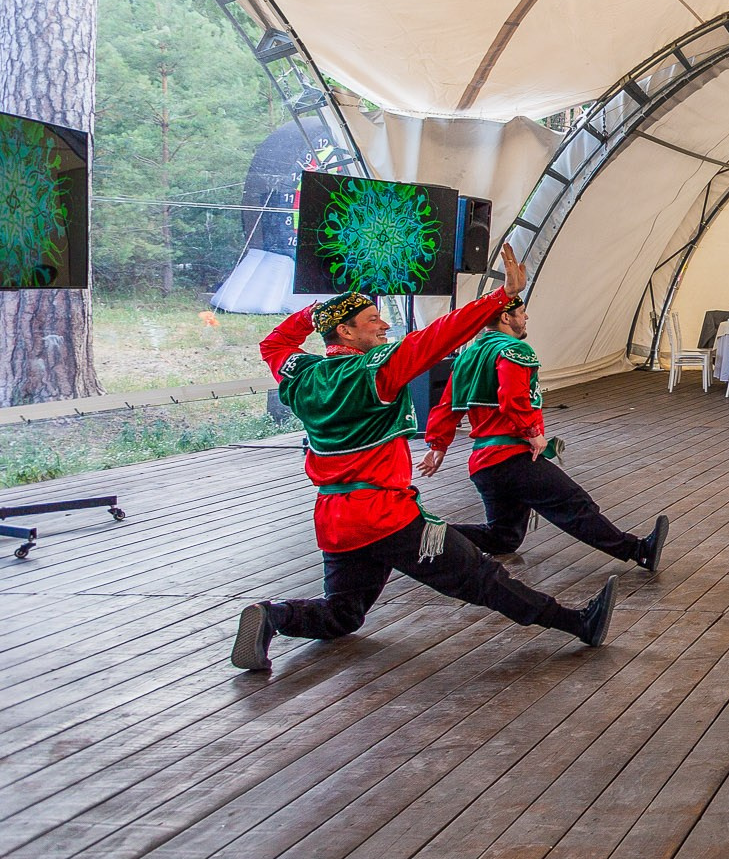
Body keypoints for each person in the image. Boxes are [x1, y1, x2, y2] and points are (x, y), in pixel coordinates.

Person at [230, 245, 617, 673]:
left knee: (344, 613)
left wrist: (313, 313)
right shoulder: (375, 372)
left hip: (335, 518)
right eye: (372, 320)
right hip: (384, 515)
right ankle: (578, 623)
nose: (385, 324)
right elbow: (438, 337)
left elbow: (274, 342)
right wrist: (499, 296)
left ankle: (274, 616)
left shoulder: (301, 375)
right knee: (482, 579)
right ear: (345, 332)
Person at [420, 291, 669, 574]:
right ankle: (638, 550)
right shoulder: (513, 350)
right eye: (521, 312)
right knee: (573, 504)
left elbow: (447, 405)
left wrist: (437, 446)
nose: (526, 318)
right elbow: (513, 397)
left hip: (484, 465)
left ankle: (428, 535)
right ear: (505, 317)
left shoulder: (468, 356)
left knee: (503, 537)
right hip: (510, 458)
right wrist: (532, 431)